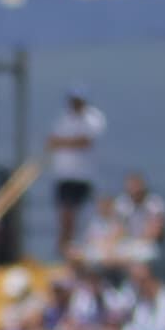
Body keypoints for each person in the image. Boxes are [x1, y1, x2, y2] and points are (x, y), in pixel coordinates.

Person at [44, 93, 107, 254]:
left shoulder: (94, 117)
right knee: (64, 218)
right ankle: (64, 252)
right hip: (64, 175)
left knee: (80, 218)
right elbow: (52, 141)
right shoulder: (64, 117)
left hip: (83, 177)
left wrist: (61, 142)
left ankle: (76, 251)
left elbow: (85, 142)